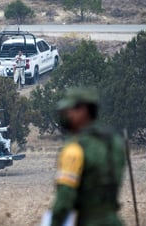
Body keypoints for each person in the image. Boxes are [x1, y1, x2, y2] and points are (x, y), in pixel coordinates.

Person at [50, 87, 126, 226]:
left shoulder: (74, 148)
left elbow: (64, 199)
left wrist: (54, 222)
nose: (66, 115)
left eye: (69, 110)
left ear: (83, 110)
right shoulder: (113, 142)